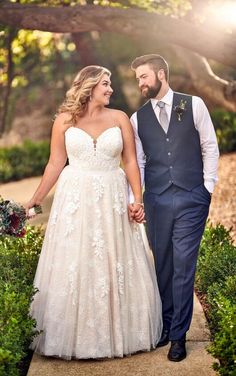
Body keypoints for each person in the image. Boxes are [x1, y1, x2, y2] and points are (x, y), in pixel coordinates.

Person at [26, 65, 162, 360]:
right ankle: (76, 338)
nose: (110, 88)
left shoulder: (119, 118)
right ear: (88, 86)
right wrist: (34, 200)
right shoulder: (64, 121)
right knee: (78, 262)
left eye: (110, 83)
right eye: (105, 83)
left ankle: (120, 332)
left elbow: (130, 162)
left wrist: (137, 199)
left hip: (112, 197)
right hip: (75, 198)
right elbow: (54, 164)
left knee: (114, 261)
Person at [129, 54, 219, 362]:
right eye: (138, 78)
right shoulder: (137, 118)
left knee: (183, 265)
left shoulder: (193, 104)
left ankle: (178, 336)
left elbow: (209, 145)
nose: (140, 83)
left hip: (192, 197)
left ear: (161, 74)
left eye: (143, 76)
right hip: (156, 199)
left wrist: (207, 187)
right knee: (163, 264)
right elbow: (139, 162)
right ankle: (167, 325)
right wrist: (136, 199)